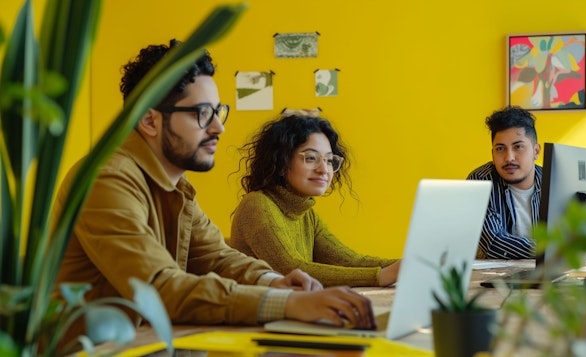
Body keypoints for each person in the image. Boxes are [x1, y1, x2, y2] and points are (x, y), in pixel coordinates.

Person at [54, 40, 376, 342]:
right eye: (202, 113)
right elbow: (159, 287)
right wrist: (287, 303)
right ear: (150, 122)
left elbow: (217, 256)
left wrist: (275, 281)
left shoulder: (175, 185)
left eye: (218, 111)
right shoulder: (105, 179)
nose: (218, 127)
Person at [229, 113, 401, 287]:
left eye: (328, 160)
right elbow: (290, 269)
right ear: (281, 164)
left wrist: (408, 266)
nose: (324, 169)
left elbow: (348, 260)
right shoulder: (257, 204)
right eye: (311, 158)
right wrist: (381, 276)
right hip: (257, 311)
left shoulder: (306, 215)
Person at [466, 106, 542, 259]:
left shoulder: (553, 181)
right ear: (492, 152)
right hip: (495, 279)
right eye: (500, 149)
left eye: (518, 147)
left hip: (550, 275)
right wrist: (547, 251)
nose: (509, 158)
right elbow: (494, 242)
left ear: (536, 151)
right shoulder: (480, 181)